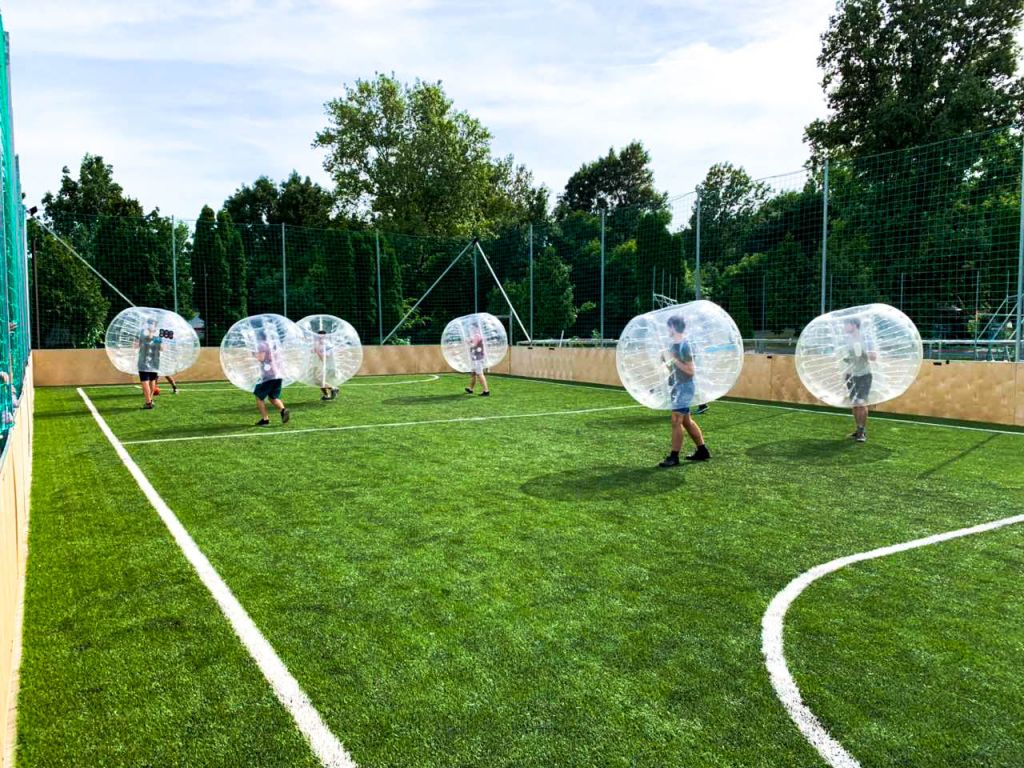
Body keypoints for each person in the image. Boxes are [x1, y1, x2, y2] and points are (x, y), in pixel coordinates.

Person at [659, 314, 710, 467]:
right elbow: (673, 369)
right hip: (677, 386)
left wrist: (673, 359)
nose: (667, 329)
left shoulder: (685, 346)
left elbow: (690, 371)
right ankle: (702, 451)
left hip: (685, 387)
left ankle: (674, 457)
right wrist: (666, 360)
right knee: (686, 421)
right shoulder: (672, 346)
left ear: (673, 327)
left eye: (668, 326)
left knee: (676, 420)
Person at [842, 317, 876, 442]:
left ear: (854, 325)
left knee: (862, 403)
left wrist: (862, 353)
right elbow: (849, 357)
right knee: (855, 404)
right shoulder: (848, 340)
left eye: (846, 324)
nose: (844, 327)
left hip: (864, 375)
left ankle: (862, 432)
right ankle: (858, 430)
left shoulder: (866, 339)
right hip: (851, 375)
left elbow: (873, 357)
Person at [253, 331, 290, 426]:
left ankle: (265, 419)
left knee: (259, 396)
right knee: (273, 397)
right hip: (277, 374)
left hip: (268, 376)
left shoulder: (261, 345)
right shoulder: (273, 344)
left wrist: (253, 354)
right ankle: (283, 410)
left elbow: (261, 358)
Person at [136, 318, 162, 410]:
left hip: (144, 362)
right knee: (152, 381)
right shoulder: (157, 335)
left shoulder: (143, 332)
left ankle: (148, 402)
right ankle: (150, 400)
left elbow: (137, 345)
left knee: (145, 382)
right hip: (155, 362)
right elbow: (161, 348)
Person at [464, 324, 490, 397]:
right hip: (474, 358)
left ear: (477, 329)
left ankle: (486, 390)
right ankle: (470, 388)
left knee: (480, 374)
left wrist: (468, 342)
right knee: (473, 374)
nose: (471, 330)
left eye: (472, 328)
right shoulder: (475, 336)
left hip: (477, 358)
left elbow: (473, 345)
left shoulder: (477, 335)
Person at [314, 329, 338, 401]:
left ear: (325, 337)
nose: (320, 338)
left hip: (324, 365)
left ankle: (334, 389)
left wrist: (317, 352)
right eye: (319, 337)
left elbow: (325, 358)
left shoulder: (327, 345)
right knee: (318, 380)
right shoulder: (318, 344)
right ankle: (326, 395)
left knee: (319, 380)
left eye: (322, 337)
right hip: (318, 364)